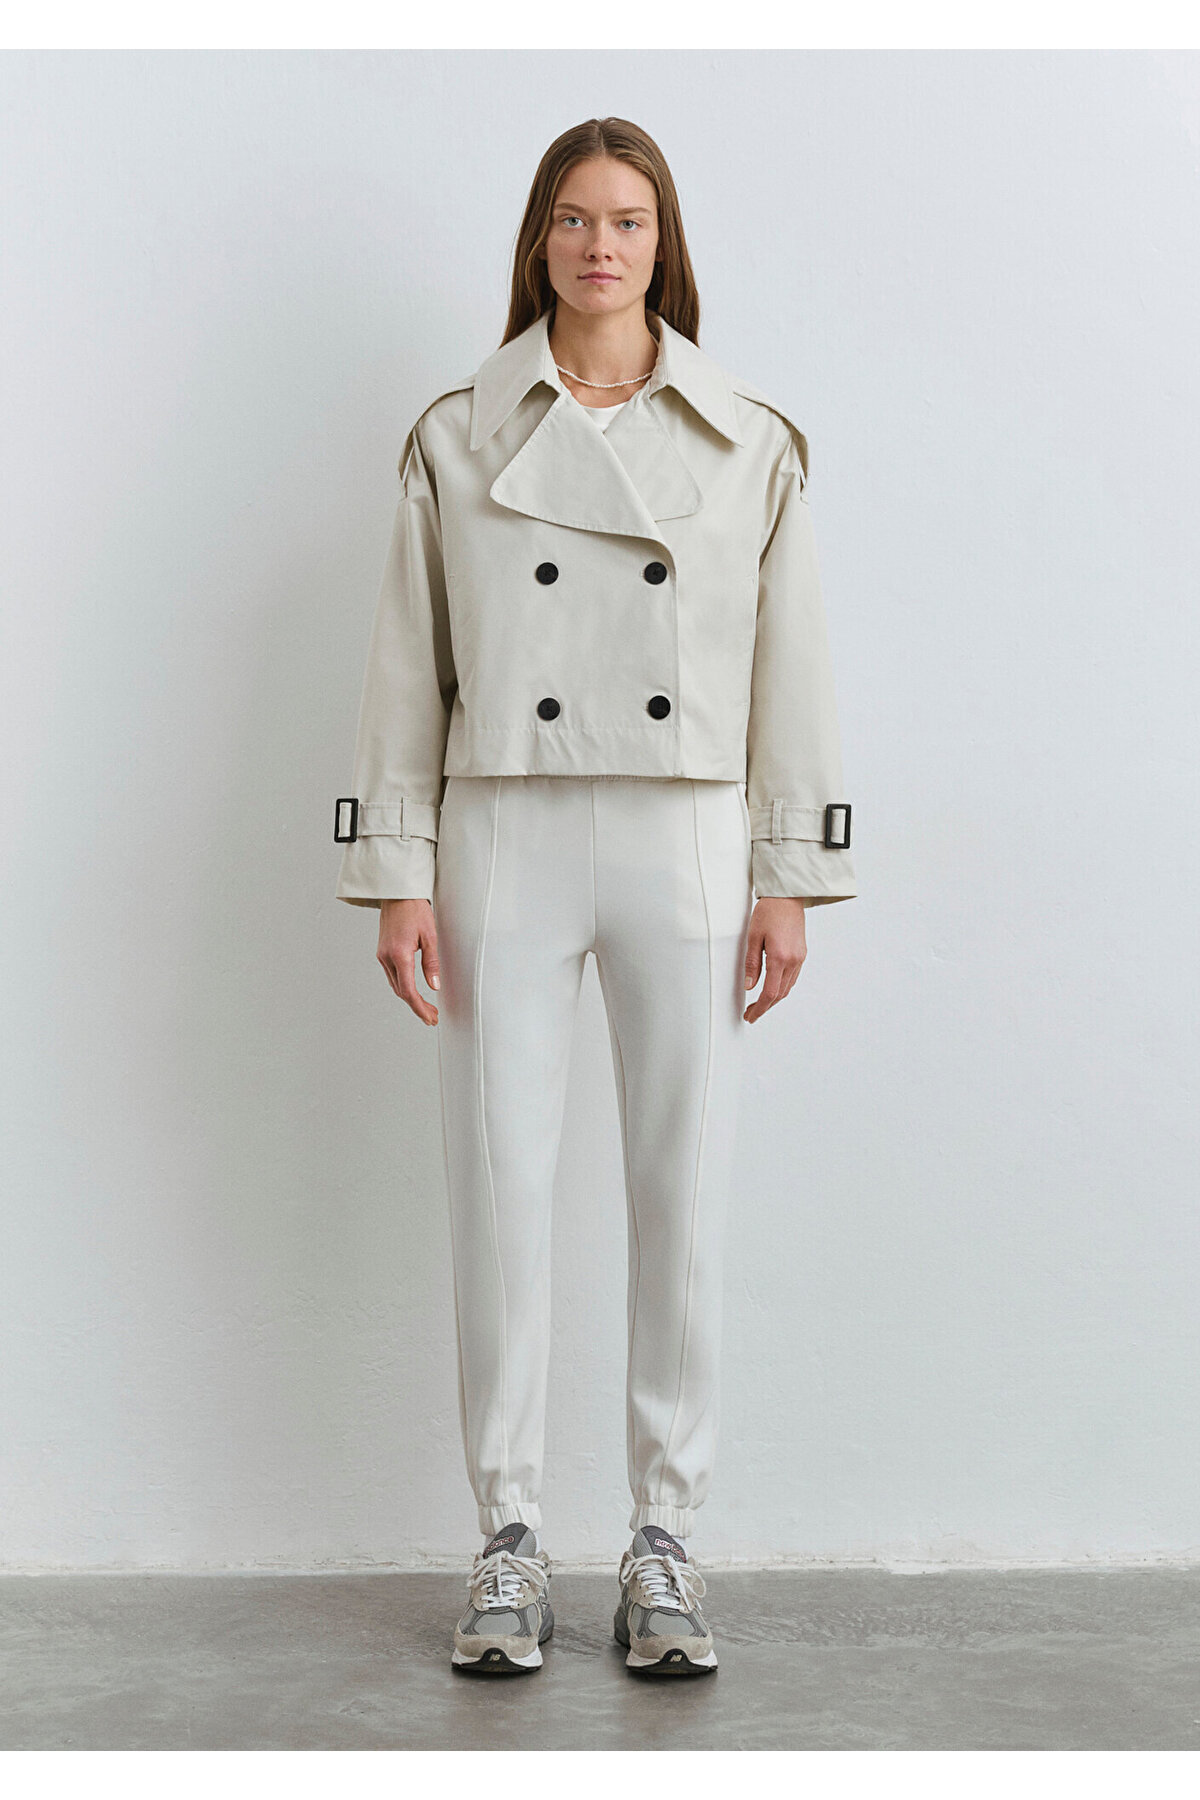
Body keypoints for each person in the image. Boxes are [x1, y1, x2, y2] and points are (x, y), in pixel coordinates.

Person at [334, 117, 857, 1677]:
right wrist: (396, 870)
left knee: (682, 1191)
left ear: (662, 241)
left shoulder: (750, 439)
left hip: (686, 828)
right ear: (540, 241)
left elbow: (793, 667)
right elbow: (407, 664)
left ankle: (664, 1542)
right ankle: (507, 1540)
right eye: (573, 218)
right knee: (498, 1184)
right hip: (503, 821)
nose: (600, 245)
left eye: (627, 219)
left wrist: (790, 874)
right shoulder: (457, 435)